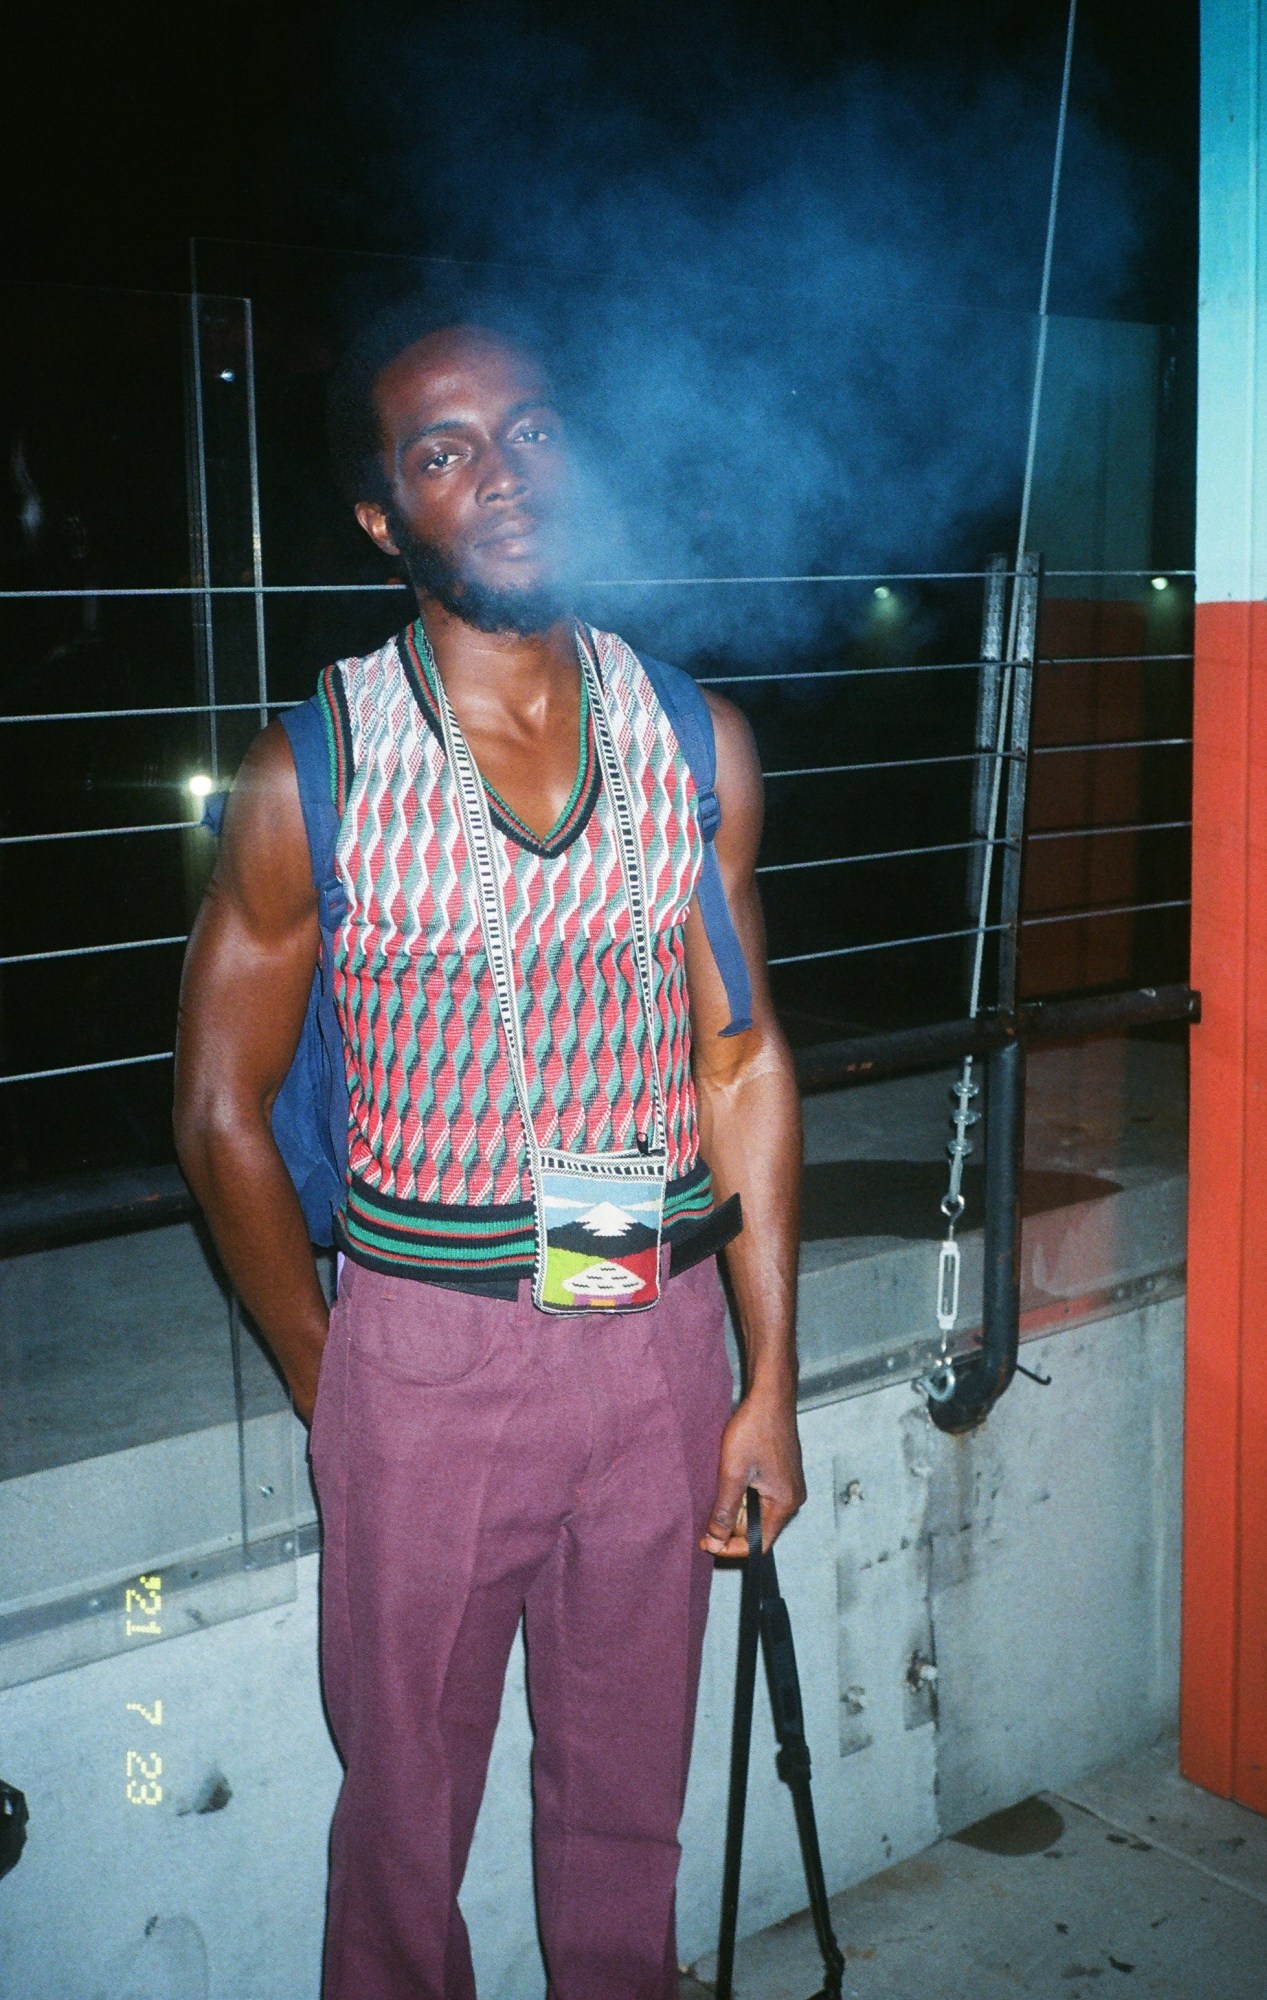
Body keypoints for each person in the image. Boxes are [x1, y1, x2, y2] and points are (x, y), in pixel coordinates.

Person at [173, 299, 805, 2000]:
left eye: (529, 431)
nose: (502, 476)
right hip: (425, 1354)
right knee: (405, 1817)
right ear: (385, 516)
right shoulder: (313, 776)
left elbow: (738, 1057)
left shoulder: (689, 744)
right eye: (442, 452)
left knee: (626, 1803)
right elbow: (217, 1106)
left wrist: (766, 1378)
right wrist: (335, 1373)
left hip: (653, 1339)